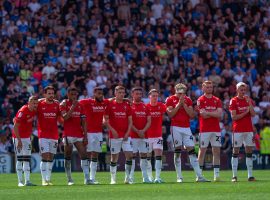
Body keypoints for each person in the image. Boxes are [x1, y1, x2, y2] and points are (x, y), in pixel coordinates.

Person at [166, 83, 209, 182]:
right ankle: (179, 177)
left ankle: (199, 176)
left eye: (183, 93)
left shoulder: (188, 100)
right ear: (175, 91)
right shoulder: (170, 99)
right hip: (175, 127)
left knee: (192, 150)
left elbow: (192, 115)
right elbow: (171, 114)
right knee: (177, 151)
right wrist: (178, 104)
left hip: (186, 128)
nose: (181, 95)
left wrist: (184, 104)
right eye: (179, 92)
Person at [59, 87, 90, 185]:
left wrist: (85, 135)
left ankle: (87, 178)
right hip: (68, 134)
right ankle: (69, 179)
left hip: (79, 134)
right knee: (67, 156)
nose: (74, 96)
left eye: (75, 94)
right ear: (68, 94)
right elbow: (65, 118)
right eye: (72, 94)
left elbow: (84, 122)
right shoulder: (63, 104)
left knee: (84, 155)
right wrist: (72, 106)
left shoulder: (80, 105)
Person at [80, 87, 109, 184]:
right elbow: (75, 101)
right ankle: (86, 178)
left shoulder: (104, 103)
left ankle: (92, 178)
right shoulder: (87, 102)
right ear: (94, 94)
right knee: (87, 154)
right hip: (88, 132)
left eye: (102, 94)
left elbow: (112, 100)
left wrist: (125, 99)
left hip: (99, 133)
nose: (101, 95)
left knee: (95, 154)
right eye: (99, 93)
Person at [104, 85, 133, 184]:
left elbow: (130, 121)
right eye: (119, 92)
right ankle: (113, 179)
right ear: (115, 93)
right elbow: (105, 121)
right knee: (114, 157)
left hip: (126, 136)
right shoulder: (110, 105)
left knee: (129, 156)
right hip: (114, 136)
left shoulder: (127, 105)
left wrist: (128, 133)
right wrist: (112, 131)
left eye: (123, 92)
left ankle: (127, 178)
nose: (121, 94)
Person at [229, 82, 256, 182]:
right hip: (238, 130)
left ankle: (250, 175)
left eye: (244, 90)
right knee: (235, 151)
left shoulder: (248, 100)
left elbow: (253, 114)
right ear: (237, 90)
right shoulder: (233, 101)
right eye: (241, 90)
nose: (243, 92)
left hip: (248, 129)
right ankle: (234, 176)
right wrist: (245, 112)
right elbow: (234, 117)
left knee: (249, 151)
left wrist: (249, 103)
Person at [197, 80, 223, 182]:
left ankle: (216, 175)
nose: (209, 89)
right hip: (204, 130)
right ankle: (199, 176)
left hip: (216, 130)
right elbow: (202, 115)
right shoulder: (200, 100)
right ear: (203, 88)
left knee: (216, 151)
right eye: (207, 87)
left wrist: (208, 112)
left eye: (211, 87)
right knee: (202, 151)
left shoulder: (217, 100)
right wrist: (214, 112)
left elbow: (219, 114)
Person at [37, 86, 61, 186]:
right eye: (49, 93)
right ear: (45, 94)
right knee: (45, 156)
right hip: (43, 135)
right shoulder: (39, 104)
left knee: (51, 157)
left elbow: (60, 118)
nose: (51, 95)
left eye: (52, 93)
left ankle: (48, 179)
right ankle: (43, 180)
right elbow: (31, 104)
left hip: (54, 135)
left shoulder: (57, 104)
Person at [13, 96, 38, 186]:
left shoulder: (34, 110)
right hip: (18, 137)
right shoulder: (23, 111)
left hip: (27, 137)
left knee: (27, 159)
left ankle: (27, 181)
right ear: (29, 102)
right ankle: (20, 182)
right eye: (33, 103)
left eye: (36, 103)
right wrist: (18, 140)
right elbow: (15, 126)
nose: (35, 105)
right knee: (19, 159)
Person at [129, 87, 151, 183]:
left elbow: (149, 121)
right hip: (133, 136)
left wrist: (143, 131)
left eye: (140, 94)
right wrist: (138, 131)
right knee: (132, 156)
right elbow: (129, 122)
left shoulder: (145, 106)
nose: (138, 95)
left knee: (144, 156)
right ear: (132, 94)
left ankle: (145, 177)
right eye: (136, 93)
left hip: (144, 135)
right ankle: (131, 178)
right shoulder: (129, 106)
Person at [146, 89, 166, 183]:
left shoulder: (161, 106)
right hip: (147, 136)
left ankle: (158, 177)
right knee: (148, 156)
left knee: (158, 156)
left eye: (156, 96)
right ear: (149, 96)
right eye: (153, 96)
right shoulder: (145, 107)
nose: (155, 97)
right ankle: (150, 177)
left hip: (158, 136)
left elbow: (169, 110)